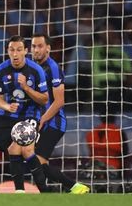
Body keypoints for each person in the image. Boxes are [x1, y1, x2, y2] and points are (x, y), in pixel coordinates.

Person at [0, 35, 49, 193]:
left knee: (24, 150)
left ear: (26, 51)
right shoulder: (0, 70)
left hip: (29, 115)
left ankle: (44, 191)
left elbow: (44, 99)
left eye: (19, 50)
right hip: (6, 115)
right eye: (12, 50)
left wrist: (27, 89)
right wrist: (7, 106)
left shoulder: (36, 70)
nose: (15, 54)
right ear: (7, 51)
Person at [30, 33, 90, 194]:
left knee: (37, 161)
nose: (36, 50)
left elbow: (59, 101)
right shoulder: (33, 68)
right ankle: (50, 192)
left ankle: (74, 187)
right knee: (32, 161)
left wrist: (42, 119)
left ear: (48, 48)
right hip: (40, 121)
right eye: (34, 46)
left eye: (40, 46)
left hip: (53, 122)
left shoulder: (53, 68)